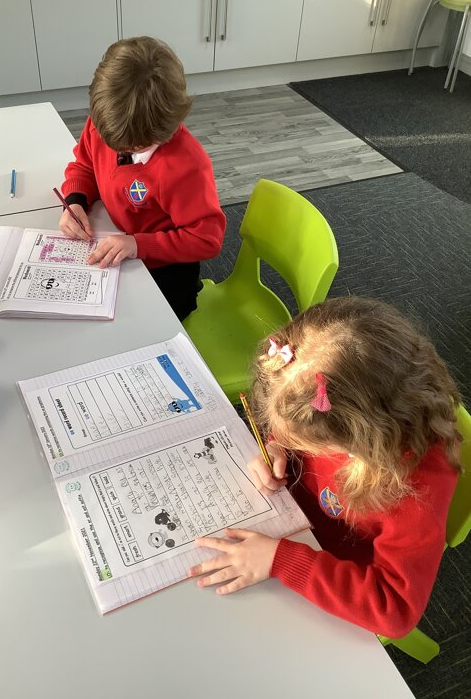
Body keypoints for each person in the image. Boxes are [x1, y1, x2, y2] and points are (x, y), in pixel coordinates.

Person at [189, 297, 462, 638]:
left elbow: (395, 610)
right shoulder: (341, 413)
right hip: (286, 530)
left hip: (330, 577)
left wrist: (282, 560)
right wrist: (276, 446)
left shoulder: (413, 488)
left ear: (361, 441)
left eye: (308, 443)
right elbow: (305, 426)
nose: (303, 448)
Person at [59, 36, 226, 321]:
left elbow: (206, 239)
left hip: (165, 273)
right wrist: (75, 201)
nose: (117, 152)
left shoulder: (185, 167)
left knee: (131, 327)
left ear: (163, 131)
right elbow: (85, 165)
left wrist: (138, 244)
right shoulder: (108, 123)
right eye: (111, 143)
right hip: (119, 248)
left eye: (131, 148)